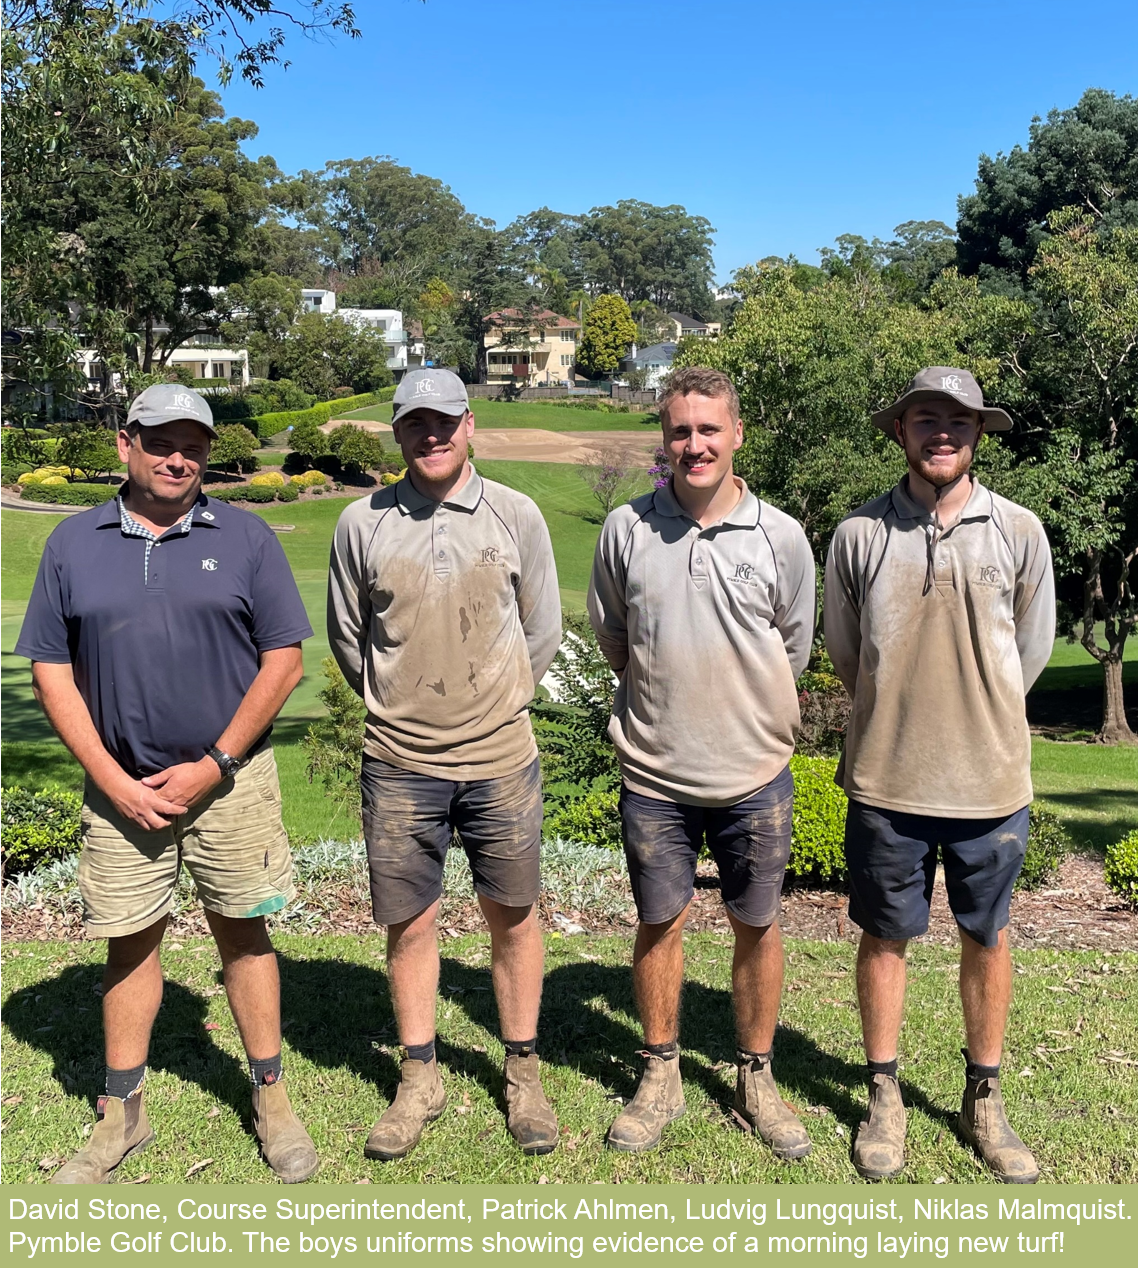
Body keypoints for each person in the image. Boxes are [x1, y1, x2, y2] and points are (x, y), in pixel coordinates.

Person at [16, 384, 318, 1184]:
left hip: (233, 782)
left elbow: (283, 660)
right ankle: (123, 1113)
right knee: (129, 940)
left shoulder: (247, 538)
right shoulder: (72, 543)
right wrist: (113, 780)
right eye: (160, 442)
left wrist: (215, 762)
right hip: (124, 791)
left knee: (244, 932)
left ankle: (271, 1096)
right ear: (126, 444)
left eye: (194, 444)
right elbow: (51, 670)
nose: (178, 457)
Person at [824, 367, 1055, 1183]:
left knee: (986, 939)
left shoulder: (1020, 531)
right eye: (927, 418)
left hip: (990, 783)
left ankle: (982, 1098)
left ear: (979, 433)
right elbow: (850, 655)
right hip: (888, 778)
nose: (943, 432)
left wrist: (977, 712)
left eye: (959, 419)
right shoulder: (858, 535)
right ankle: (884, 1094)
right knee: (884, 940)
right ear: (901, 431)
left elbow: (1029, 655)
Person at [327, 368, 562, 1160]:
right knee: (410, 920)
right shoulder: (362, 522)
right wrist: (402, 703)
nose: (431, 435)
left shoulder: (516, 514)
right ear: (398, 433)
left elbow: (542, 632)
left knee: (514, 916)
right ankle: (419, 1074)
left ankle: (522, 1070)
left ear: (470, 426)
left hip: (501, 755)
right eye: (415, 423)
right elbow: (348, 640)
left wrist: (490, 703)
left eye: (445, 421)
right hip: (398, 761)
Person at [587, 366, 816, 1158]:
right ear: (664, 437)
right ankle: (660, 1070)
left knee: (757, 924)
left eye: (709, 429)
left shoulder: (781, 536)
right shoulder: (627, 529)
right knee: (660, 921)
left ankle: (756, 1072)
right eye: (680, 430)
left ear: (737, 434)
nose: (694, 444)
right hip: (655, 772)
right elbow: (614, 639)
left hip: (755, 773)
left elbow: (793, 646)